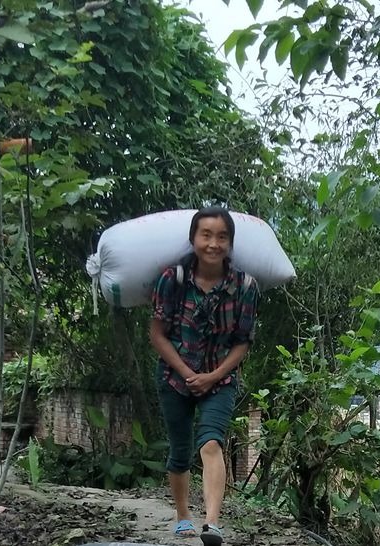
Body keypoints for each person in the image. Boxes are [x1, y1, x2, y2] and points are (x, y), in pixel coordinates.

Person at [149, 206, 259, 546]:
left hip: (220, 379)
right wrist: (187, 373)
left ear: (230, 243)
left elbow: (243, 341)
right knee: (180, 449)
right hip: (173, 377)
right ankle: (183, 515)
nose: (213, 243)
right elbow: (157, 334)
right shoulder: (173, 280)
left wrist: (212, 376)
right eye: (206, 235)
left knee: (211, 442)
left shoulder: (244, 286)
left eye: (222, 237)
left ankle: (212, 524)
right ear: (193, 239)